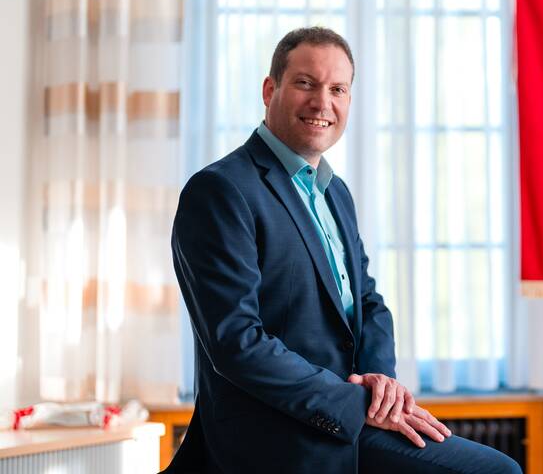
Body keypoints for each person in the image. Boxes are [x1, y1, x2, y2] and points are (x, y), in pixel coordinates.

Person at [165, 27, 522, 473]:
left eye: (338, 89)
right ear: (269, 89)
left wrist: (382, 385)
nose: (322, 103)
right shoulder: (221, 190)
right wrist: (356, 402)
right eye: (305, 83)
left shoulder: (336, 194)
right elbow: (237, 342)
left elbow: (368, 303)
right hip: (278, 434)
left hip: (354, 421)